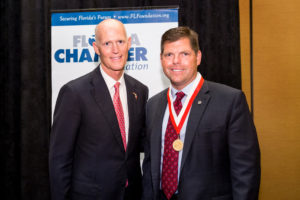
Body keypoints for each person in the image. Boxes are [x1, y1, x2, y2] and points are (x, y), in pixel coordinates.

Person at [142, 26, 260, 200]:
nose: (176, 61)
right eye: (169, 55)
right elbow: (150, 165)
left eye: (184, 54)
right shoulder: (153, 105)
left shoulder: (230, 100)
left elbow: (246, 170)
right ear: (161, 60)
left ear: (198, 57)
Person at [49, 19, 148, 200]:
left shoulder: (140, 91)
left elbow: (138, 143)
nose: (115, 50)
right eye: (107, 43)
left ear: (129, 43)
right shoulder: (74, 93)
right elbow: (59, 159)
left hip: (132, 194)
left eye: (120, 41)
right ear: (96, 48)